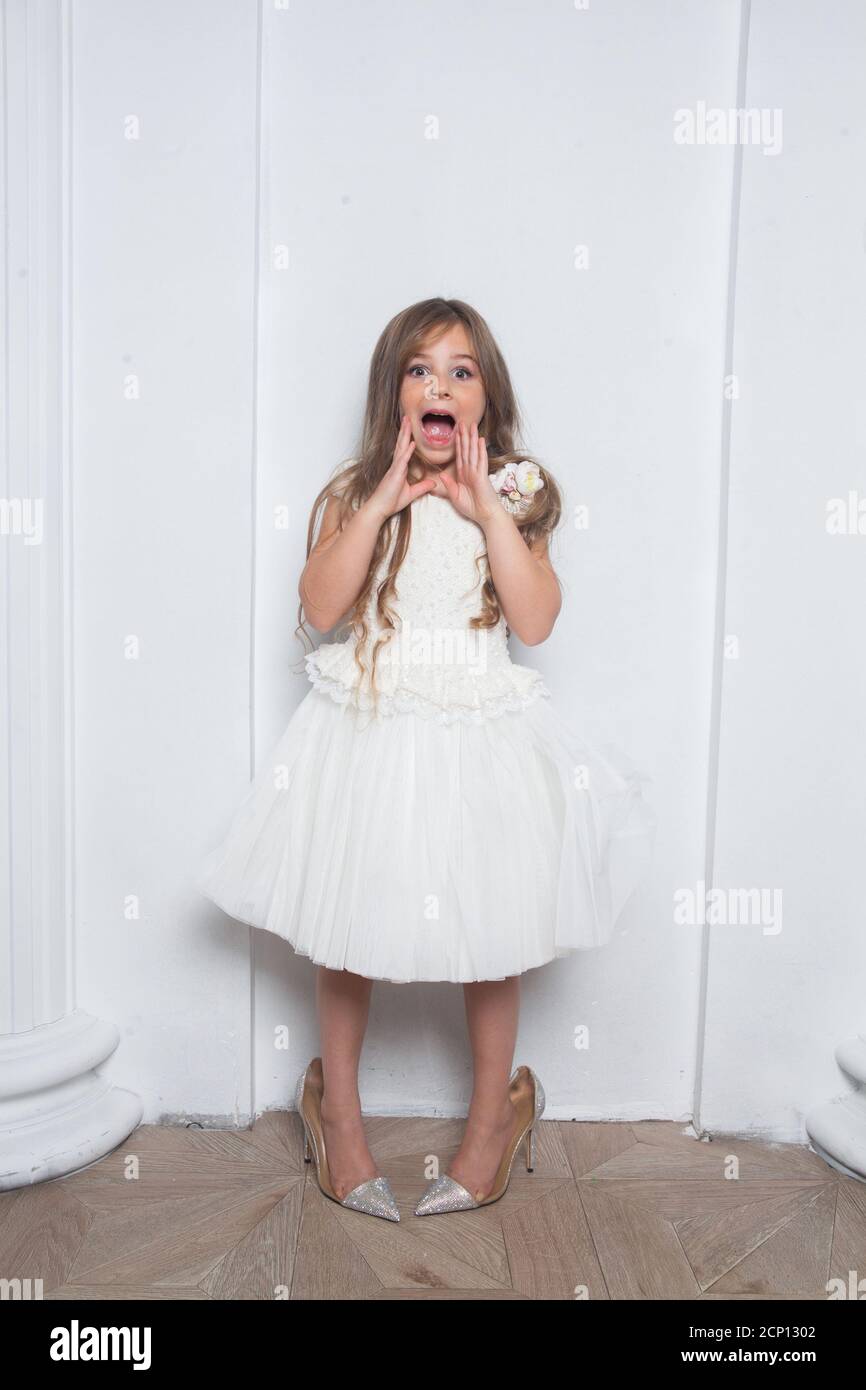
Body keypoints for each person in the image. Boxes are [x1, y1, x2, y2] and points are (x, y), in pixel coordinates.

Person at [196, 297, 656, 1221]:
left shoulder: (516, 494)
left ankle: (496, 1118)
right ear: (393, 397)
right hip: (369, 732)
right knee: (348, 918)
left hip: (476, 733)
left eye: (460, 369)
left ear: (487, 401)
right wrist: (380, 502)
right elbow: (323, 606)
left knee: (492, 931)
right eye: (419, 369)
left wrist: (487, 512)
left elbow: (533, 620)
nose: (439, 383)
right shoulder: (353, 491)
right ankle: (341, 1112)